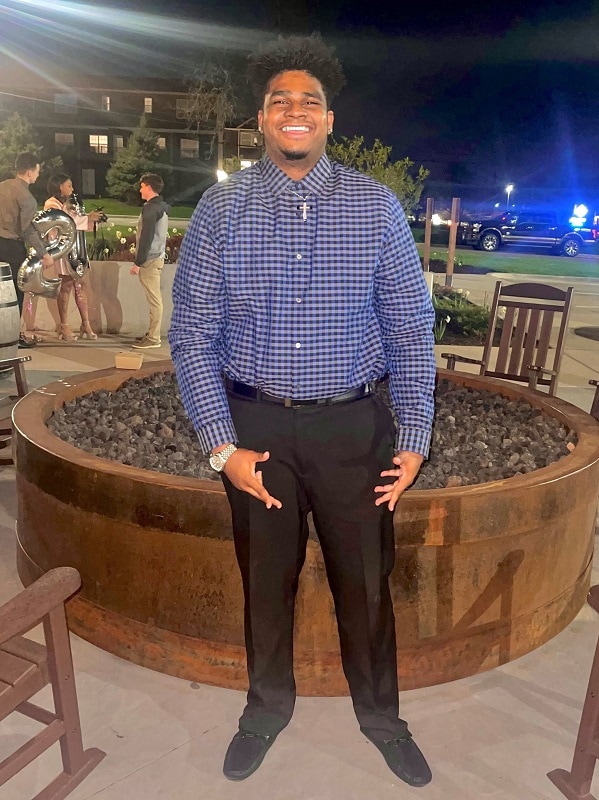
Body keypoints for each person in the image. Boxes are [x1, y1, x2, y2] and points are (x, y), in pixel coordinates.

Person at [169, 34, 436, 788]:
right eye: (281, 100)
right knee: (265, 582)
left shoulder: (374, 207)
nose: (295, 111)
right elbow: (191, 335)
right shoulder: (222, 211)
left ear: (327, 121)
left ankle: (382, 719)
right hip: (256, 429)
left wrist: (412, 437)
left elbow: (409, 330)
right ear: (261, 118)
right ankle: (263, 709)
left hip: (353, 430)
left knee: (365, 584)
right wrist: (223, 447)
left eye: (309, 102)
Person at [0, 152, 54, 347]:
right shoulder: (27, 198)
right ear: (30, 172)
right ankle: (12, 337)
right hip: (11, 249)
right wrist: (44, 254)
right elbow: (27, 230)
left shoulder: (2, 186)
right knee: (14, 294)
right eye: (38, 171)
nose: (38, 176)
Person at [44, 173, 103, 340]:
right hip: (63, 252)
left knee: (81, 284)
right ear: (59, 186)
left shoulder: (67, 204)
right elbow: (64, 223)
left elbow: (75, 220)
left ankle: (85, 323)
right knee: (67, 286)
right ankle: (64, 326)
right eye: (69, 185)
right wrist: (85, 218)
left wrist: (90, 218)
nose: (72, 188)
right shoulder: (51, 205)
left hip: (76, 251)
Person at [130, 173, 169, 349]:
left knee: (154, 300)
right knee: (155, 299)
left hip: (150, 260)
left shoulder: (150, 209)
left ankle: (153, 338)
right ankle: (152, 335)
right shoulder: (161, 207)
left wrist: (138, 263)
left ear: (148, 187)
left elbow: (146, 237)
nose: (140, 189)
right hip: (156, 258)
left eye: (142, 186)